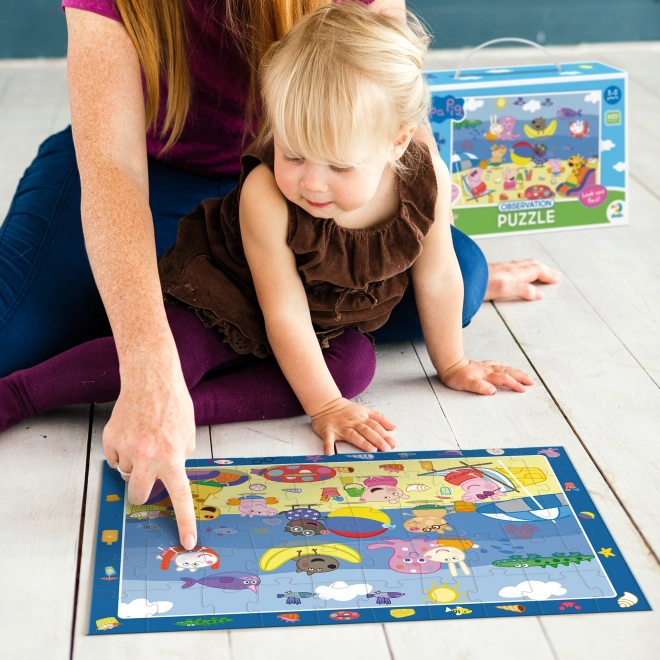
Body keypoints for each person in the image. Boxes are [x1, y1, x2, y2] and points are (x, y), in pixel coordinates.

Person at [0, 3, 535, 551]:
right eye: (295, 154)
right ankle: (20, 396)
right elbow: (283, 309)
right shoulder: (270, 193)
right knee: (170, 345)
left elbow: (436, 265)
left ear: (398, 142)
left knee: (363, 358)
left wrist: (451, 360)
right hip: (211, 266)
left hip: (319, 291)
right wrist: (152, 357)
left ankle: (186, 406)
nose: (315, 184)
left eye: (338, 166)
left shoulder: (413, 168)